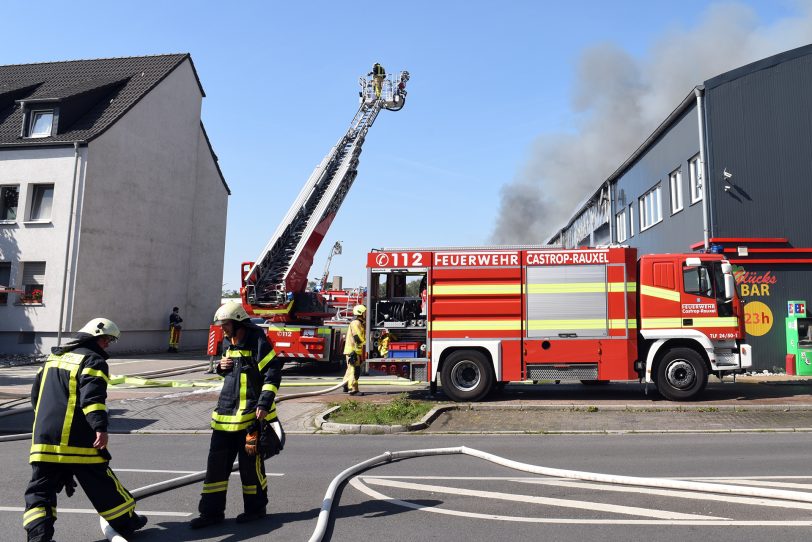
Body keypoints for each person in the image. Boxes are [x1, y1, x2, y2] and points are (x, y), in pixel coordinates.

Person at [24, 318, 148, 542]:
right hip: (76, 437)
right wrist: (100, 427)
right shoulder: (93, 359)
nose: (108, 345)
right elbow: (92, 399)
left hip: (43, 439)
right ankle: (127, 521)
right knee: (101, 482)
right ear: (96, 337)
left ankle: (38, 538)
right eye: (107, 340)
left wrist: (44, 423)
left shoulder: (54, 357)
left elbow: (35, 396)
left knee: (40, 491)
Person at [190, 302, 281, 529]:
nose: (223, 329)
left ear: (239, 322)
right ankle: (211, 513)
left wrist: (264, 403)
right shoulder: (228, 343)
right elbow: (229, 374)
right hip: (224, 416)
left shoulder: (256, 340)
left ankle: (256, 509)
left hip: (250, 418)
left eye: (226, 324)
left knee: (250, 469)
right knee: (216, 468)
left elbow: (273, 372)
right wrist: (221, 367)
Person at [342, 304, 366, 395]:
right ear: (360, 313)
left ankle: (345, 385)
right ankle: (353, 389)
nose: (365, 314)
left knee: (350, 369)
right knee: (354, 370)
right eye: (364, 313)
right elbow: (358, 338)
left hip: (352, 350)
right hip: (353, 351)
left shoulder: (358, 322)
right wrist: (365, 343)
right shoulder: (356, 323)